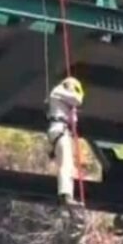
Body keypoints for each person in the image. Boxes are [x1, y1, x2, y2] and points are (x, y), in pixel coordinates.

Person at [46, 76, 84, 206]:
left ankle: (67, 195)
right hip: (59, 130)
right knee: (66, 164)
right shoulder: (57, 91)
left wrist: (72, 112)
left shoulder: (61, 98)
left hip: (60, 130)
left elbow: (73, 121)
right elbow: (78, 100)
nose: (74, 90)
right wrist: (75, 96)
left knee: (68, 165)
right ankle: (65, 196)